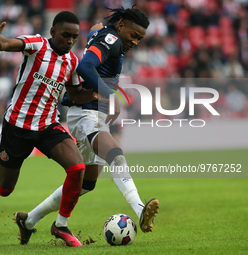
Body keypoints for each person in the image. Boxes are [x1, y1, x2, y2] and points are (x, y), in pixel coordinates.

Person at [15, 6, 160, 243]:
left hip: (94, 114)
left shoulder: (106, 33)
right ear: (121, 25)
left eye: (140, 38)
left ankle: (29, 220)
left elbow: (95, 32)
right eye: (133, 35)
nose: (135, 41)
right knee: (116, 153)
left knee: (86, 184)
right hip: (85, 113)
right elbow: (85, 66)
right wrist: (108, 94)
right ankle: (140, 209)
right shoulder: (112, 40)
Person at [0, 11, 102, 247]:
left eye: (74, 37)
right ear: (53, 32)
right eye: (65, 35)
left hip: (48, 125)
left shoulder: (72, 62)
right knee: (5, 188)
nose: (69, 41)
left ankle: (61, 225)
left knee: (77, 168)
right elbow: (5, 44)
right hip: (17, 126)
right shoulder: (37, 45)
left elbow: (75, 94)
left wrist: (95, 93)